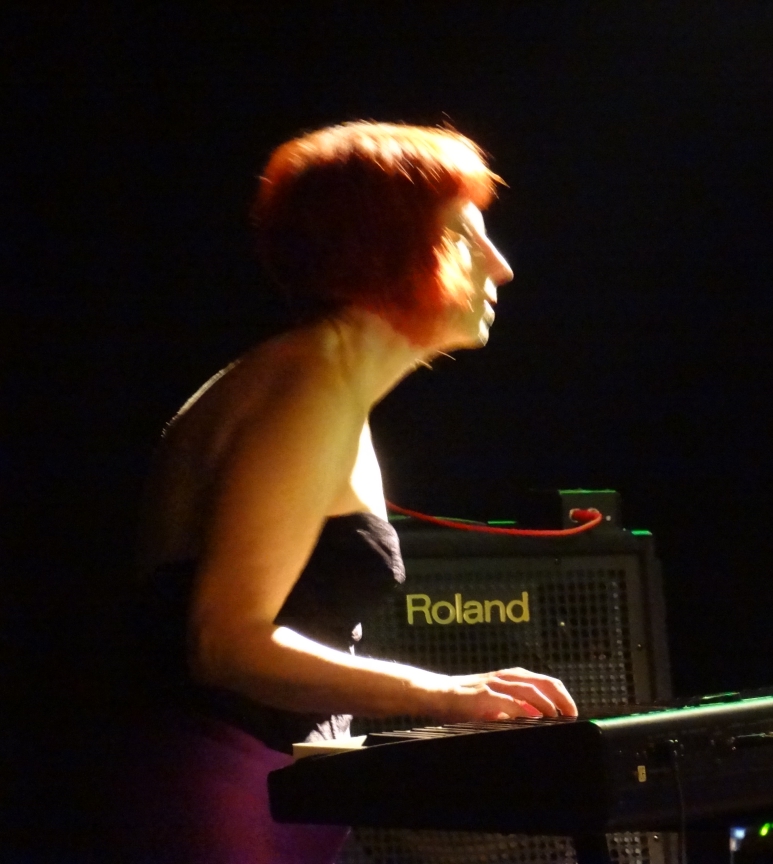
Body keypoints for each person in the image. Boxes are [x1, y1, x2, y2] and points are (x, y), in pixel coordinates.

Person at [106, 121, 577, 863]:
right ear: (385, 249)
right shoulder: (311, 384)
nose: (502, 266)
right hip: (224, 788)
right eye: (464, 236)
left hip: (276, 787)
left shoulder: (326, 385)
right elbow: (224, 643)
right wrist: (448, 695)